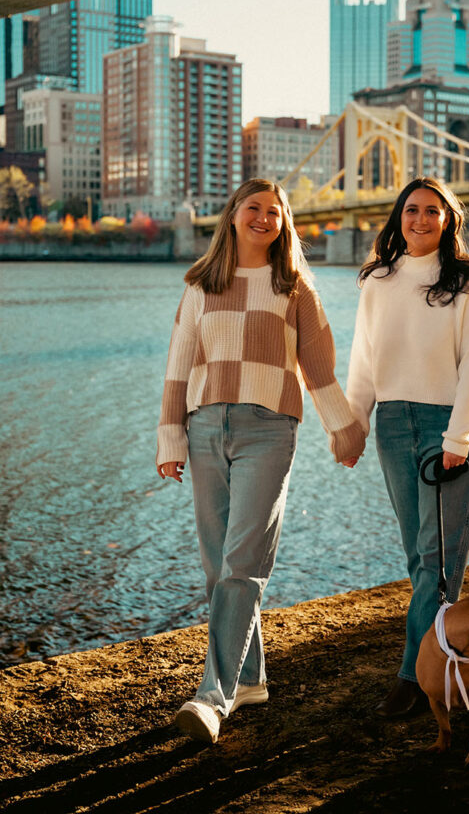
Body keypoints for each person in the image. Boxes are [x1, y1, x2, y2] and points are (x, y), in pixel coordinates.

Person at [157, 178, 365, 743]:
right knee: (216, 565)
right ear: (233, 216)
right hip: (203, 430)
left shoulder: (295, 288)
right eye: (255, 208)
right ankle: (249, 678)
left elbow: (318, 368)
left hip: (268, 431)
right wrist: (169, 439)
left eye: (275, 211)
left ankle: (212, 697)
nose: (264, 217)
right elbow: (178, 368)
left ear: (285, 223)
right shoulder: (201, 285)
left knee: (243, 561)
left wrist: (343, 429)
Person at [345, 176, 469, 719]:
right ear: (398, 216)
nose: (421, 219)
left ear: (448, 220)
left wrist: (458, 437)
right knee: (420, 557)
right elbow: (363, 363)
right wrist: (353, 426)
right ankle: (450, 662)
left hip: (450, 427)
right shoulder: (378, 281)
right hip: (391, 422)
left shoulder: (468, 283)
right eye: (412, 209)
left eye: (433, 211)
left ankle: (413, 677)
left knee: (437, 559)